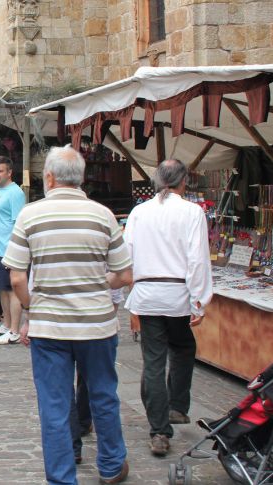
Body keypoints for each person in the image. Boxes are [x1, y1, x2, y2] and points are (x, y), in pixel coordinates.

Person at [4, 145, 133, 485]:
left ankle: (62, 478)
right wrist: (95, 281)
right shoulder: (103, 215)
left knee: (55, 405)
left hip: (50, 327)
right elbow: (124, 275)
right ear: (81, 178)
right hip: (97, 325)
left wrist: (32, 308)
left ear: (49, 177)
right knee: (104, 396)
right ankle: (110, 466)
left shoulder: (30, 215)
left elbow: (16, 276)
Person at [124, 158, 213, 457]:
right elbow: (198, 258)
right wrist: (198, 300)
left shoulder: (139, 212)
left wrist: (132, 294)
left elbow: (128, 255)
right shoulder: (191, 212)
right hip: (175, 294)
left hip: (148, 293)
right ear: (183, 181)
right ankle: (174, 409)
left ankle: (162, 425)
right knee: (182, 348)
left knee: (155, 359)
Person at [0, 156, 26, 345]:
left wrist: (14, 251)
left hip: (7, 250)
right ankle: (6, 325)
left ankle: (15, 330)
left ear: (9, 172)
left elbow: (19, 224)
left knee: (11, 291)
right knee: (0, 289)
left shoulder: (15, 193)